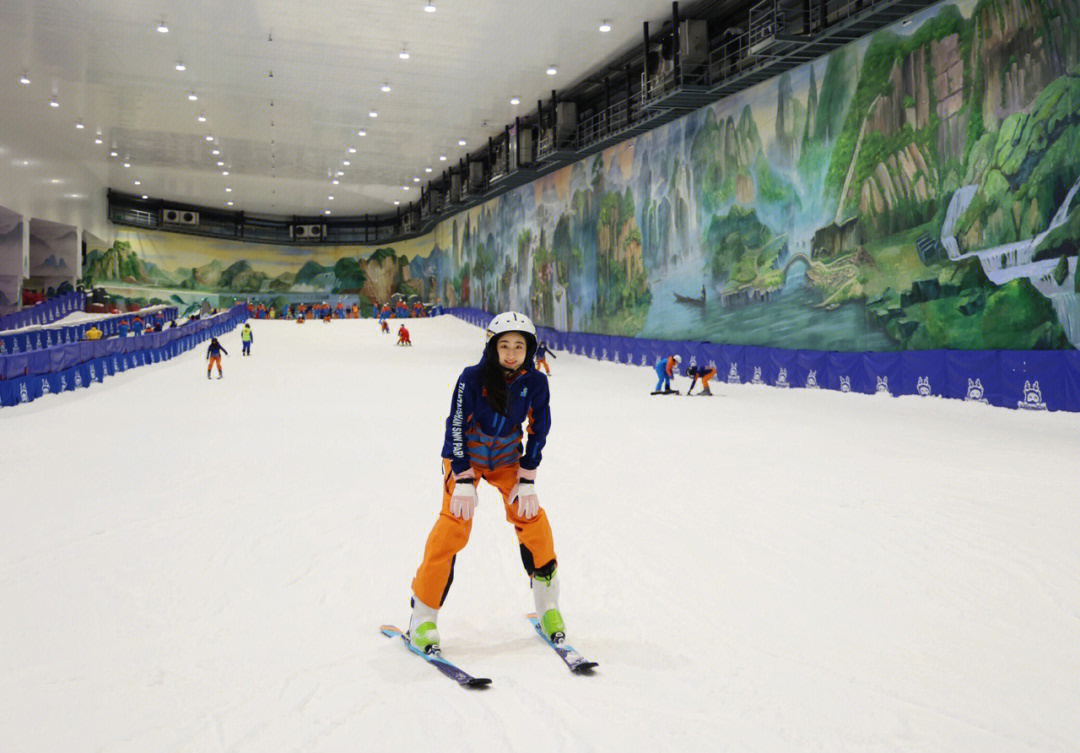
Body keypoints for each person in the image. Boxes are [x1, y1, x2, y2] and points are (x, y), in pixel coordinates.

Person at [407, 311, 565, 653]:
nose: (510, 353)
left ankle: (549, 607)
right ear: (491, 347)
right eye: (503, 345)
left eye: (518, 346)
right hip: (467, 457)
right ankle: (423, 616)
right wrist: (462, 477)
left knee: (532, 520)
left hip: (508, 460)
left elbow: (539, 429)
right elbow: (456, 425)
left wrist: (527, 476)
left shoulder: (536, 383)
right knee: (454, 527)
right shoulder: (472, 377)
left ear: (529, 349)